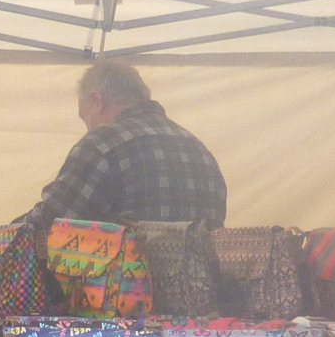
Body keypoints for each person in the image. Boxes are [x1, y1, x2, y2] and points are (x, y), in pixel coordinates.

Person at [19, 61, 227, 229]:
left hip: (131, 270)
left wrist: (4, 235)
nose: (87, 128)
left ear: (97, 100)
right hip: (200, 272)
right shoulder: (201, 152)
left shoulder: (101, 144)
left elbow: (47, 224)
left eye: (85, 118)